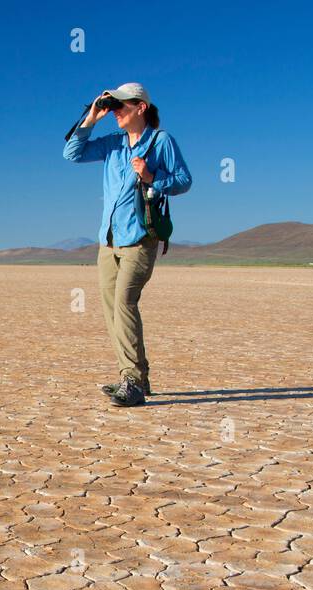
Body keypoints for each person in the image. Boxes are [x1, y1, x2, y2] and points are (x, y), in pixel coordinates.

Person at [63, 83, 191, 407]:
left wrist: (152, 177)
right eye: (114, 106)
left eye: (122, 106)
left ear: (142, 108)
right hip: (108, 241)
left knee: (124, 303)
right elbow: (72, 153)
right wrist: (91, 118)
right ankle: (135, 377)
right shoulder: (113, 145)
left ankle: (132, 381)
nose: (117, 111)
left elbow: (183, 180)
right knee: (111, 311)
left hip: (139, 240)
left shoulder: (161, 142)